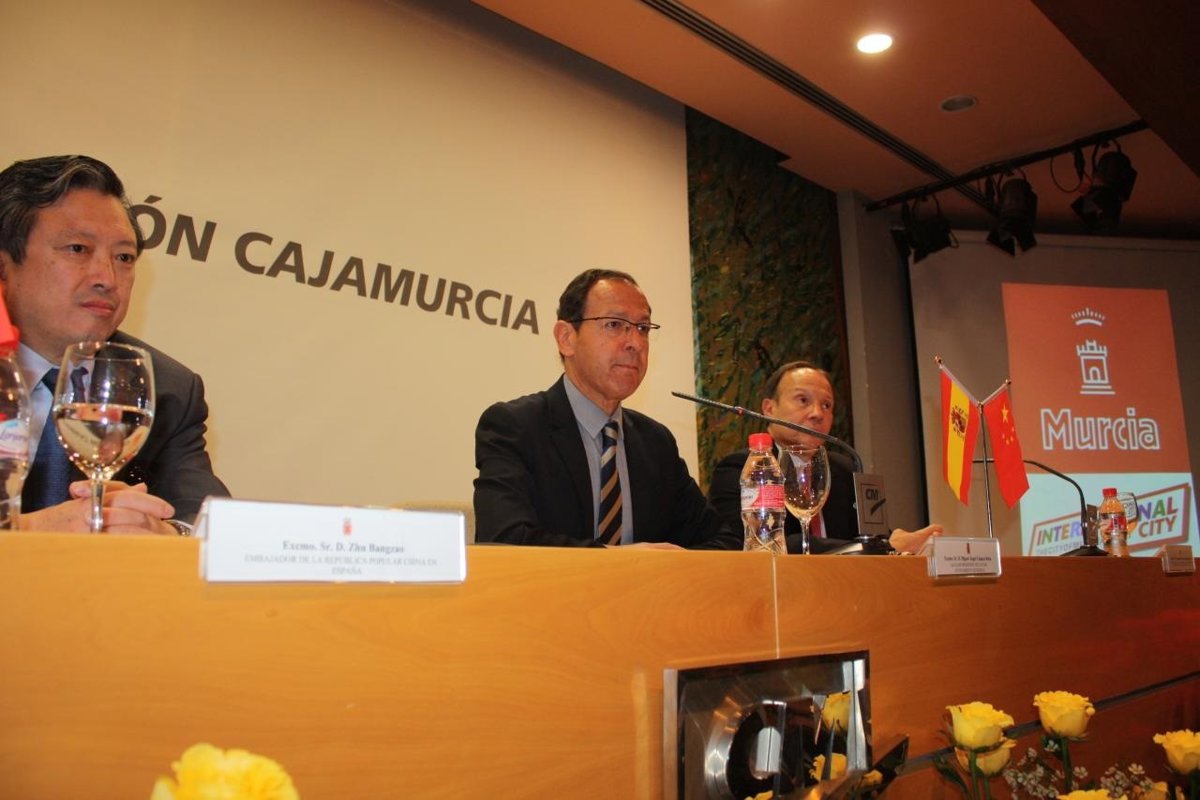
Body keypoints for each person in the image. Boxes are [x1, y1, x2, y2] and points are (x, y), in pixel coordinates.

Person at [0, 154, 229, 534]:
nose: (107, 278)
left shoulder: (166, 388)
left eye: (124, 257)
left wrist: (163, 532)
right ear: (5, 264)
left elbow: (210, 524)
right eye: (78, 249)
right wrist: (29, 533)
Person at [473, 268, 738, 549]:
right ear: (566, 338)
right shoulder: (514, 427)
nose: (635, 343)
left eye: (643, 328)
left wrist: (668, 567)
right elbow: (505, 541)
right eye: (614, 324)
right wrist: (628, 562)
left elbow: (725, 541)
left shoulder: (655, 442)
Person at [707, 361, 940, 554]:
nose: (818, 413)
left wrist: (899, 544)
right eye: (803, 400)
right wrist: (883, 546)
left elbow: (874, 540)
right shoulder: (741, 468)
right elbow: (765, 544)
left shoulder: (845, 468)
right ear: (769, 408)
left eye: (827, 405)